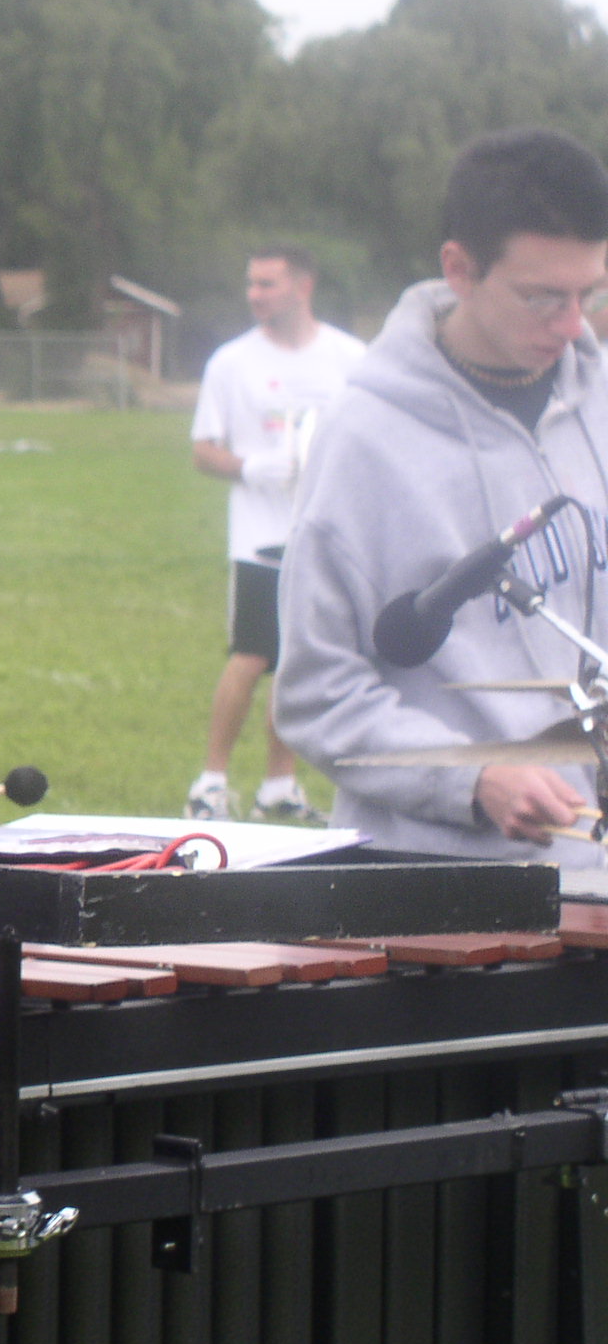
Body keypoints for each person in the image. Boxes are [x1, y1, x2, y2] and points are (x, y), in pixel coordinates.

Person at [277, 126, 608, 863]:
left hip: (591, 872)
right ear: (459, 268)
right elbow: (315, 690)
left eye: (589, 293)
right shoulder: (364, 439)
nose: (573, 324)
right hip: (429, 882)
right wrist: (475, 779)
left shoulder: (601, 399)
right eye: (542, 298)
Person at [185, 247, 367, 823]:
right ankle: (211, 781)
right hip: (260, 538)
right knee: (252, 654)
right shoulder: (231, 362)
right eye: (251, 283)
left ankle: (279, 786)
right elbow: (202, 450)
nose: (255, 294)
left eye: (267, 283)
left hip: (323, 536)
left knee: (295, 660)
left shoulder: (349, 357)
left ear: (303, 286)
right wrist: (249, 466)